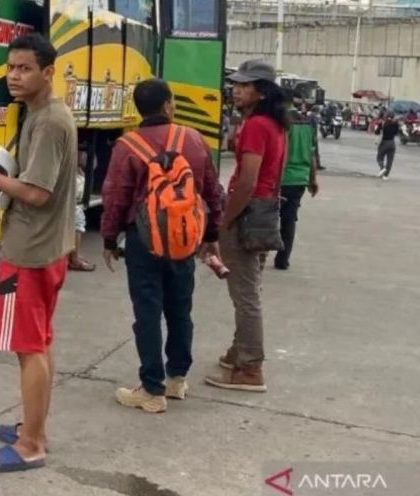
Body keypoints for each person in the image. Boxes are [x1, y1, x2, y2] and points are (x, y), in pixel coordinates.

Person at [0, 33, 77, 474]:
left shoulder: (50, 121)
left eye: (25, 69)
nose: (14, 76)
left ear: (47, 72)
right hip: (44, 246)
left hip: (31, 251)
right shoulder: (39, 114)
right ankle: (33, 426)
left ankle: (32, 443)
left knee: (28, 346)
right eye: (11, 68)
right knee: (40, 342)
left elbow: (36, 193)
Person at [100, 79, 225, 413]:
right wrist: (211, 236)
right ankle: (177, 380)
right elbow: (212, 192)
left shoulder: (128, 146)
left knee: (148, 312)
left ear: (138, 108)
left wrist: (110, 239)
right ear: (169, 105)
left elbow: (115, 197)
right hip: (185, 238)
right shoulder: (195, 140)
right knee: (180, 309)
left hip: (143, 241)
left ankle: (151, 389)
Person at [205, 59, 287, 393]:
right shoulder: (278, 124)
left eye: (245, 85)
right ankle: (238, 352)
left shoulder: (255, 127)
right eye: (236, 84)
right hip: (266, 212)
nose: (236, 90)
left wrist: (225, 221)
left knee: (245, 294)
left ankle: (250, 368)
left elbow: (247, 180)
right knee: (250, 287)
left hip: (247, 213)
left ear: (262, 91)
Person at [276, 89, 320, 270]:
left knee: (269, 216)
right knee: (289, 219)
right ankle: (283, 259)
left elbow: (283, 153)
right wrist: (313, 179)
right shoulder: (308, 122)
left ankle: (259, 252)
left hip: (283, 178)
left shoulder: (284, 122)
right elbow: (312, 154)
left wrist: (276, 178)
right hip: (300, 179)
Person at [68, 154, 95, 272]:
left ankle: (73, 256)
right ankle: (74, 259)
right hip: (74, 202)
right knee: (77, 225)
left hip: (72, 201)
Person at [378, 112, 400, 180]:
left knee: (379, 157)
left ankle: (383, 168)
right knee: (390, 161)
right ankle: (386, 176)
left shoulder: (384, 123)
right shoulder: (395, 124)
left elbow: (377, 131)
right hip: (392, 143)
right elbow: (396, 133)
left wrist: (379, 125)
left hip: (384, 142)